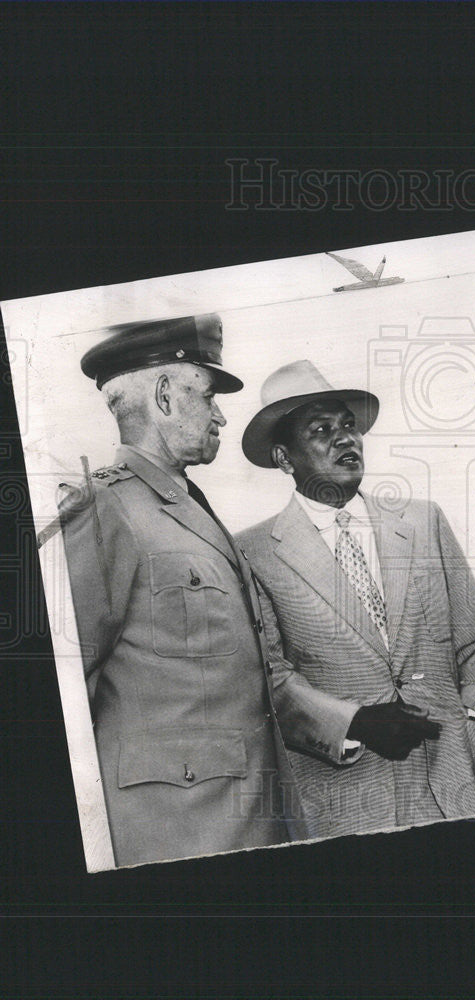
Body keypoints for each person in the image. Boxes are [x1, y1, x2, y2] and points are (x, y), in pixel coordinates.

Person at [59, 314, 302, 866]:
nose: (219, 414)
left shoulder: (188, 508)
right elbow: (65, 691)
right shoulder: (103, 509)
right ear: (165, 395)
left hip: (245, 820)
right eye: (210, 395)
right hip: (170, 836)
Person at [236, 360, 475, 839]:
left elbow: (472, 640)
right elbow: (269, 674)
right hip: (345, 803)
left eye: (348, 426)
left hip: (455, 786)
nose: (345, 439)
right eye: (321, 430)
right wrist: (353, 722)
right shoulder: (252, 553)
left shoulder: (423, 521)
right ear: (283, 457)